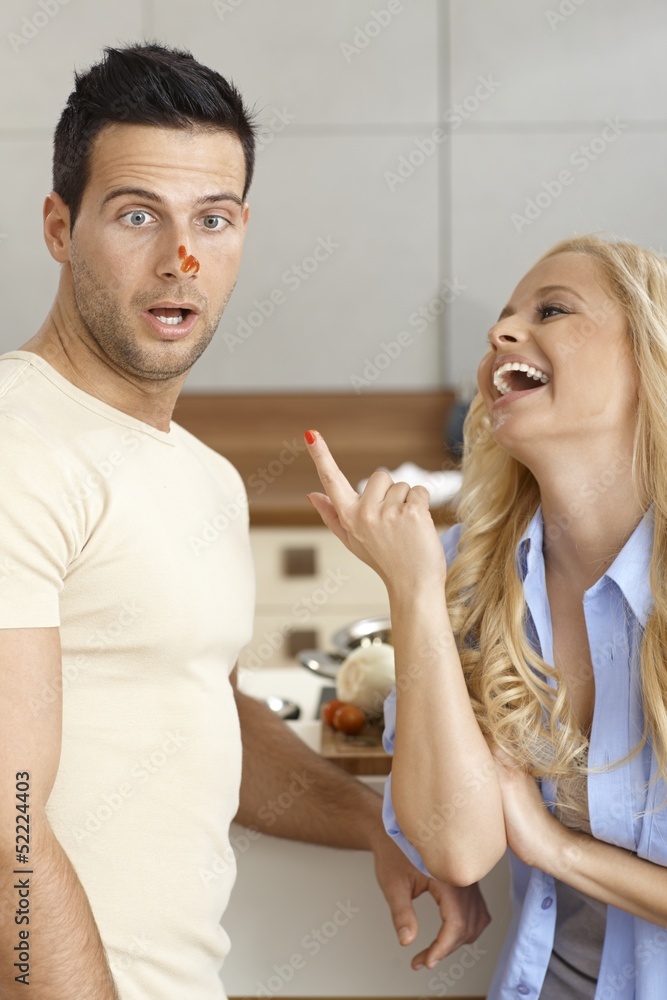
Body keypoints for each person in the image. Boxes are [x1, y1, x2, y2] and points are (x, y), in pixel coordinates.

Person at [0, 43, 490, 999]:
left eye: (211, 220)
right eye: (136, 215)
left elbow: (206, 719)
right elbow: (8, 816)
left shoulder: (207, 480)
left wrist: (372, 826)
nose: (178, 258)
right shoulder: (19, 445)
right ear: (59, 227)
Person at [305, 233, 667, 1000]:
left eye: (552, 310)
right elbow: (456, 848)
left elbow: (520, 844)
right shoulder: (470, 569)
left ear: (646, 359)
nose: (500, 334)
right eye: (500, 322)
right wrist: (412, 592)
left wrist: (556, 851)